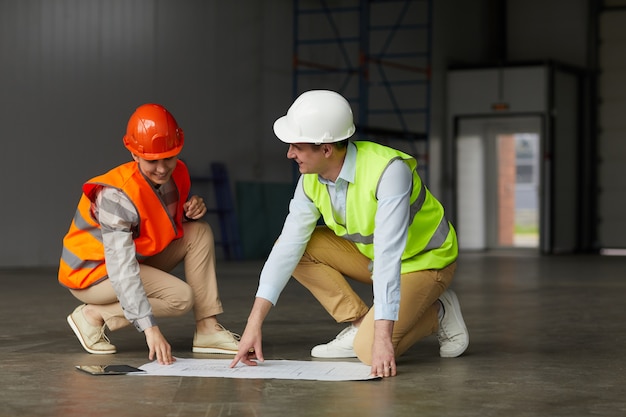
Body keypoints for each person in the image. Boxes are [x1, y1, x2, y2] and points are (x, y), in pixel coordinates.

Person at [230, 90, 469, 377]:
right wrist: (254, 323)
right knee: (296, 247)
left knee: (368, 352)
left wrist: (381, 339)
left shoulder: (389, 172)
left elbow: (388, 254)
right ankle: (358, 324)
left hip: (426, 260)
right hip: (372, 257)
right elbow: (287, 249)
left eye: (297, 146)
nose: (289, 153)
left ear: (326, 149)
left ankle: (438, 312)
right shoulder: (311, 180)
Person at [58, 103, 239, 365]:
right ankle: (93, 316)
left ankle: (207, 329)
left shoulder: (175, 175)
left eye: (169, 157)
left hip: (135, 258)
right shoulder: (115, 196)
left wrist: (189, 212)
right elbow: (121, 269)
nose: (163, 168)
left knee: (199, 232)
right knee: (180, 298)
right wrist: (150, 329)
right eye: (152, 161)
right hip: (93, 274)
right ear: (134, 155)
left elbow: (157, 222)